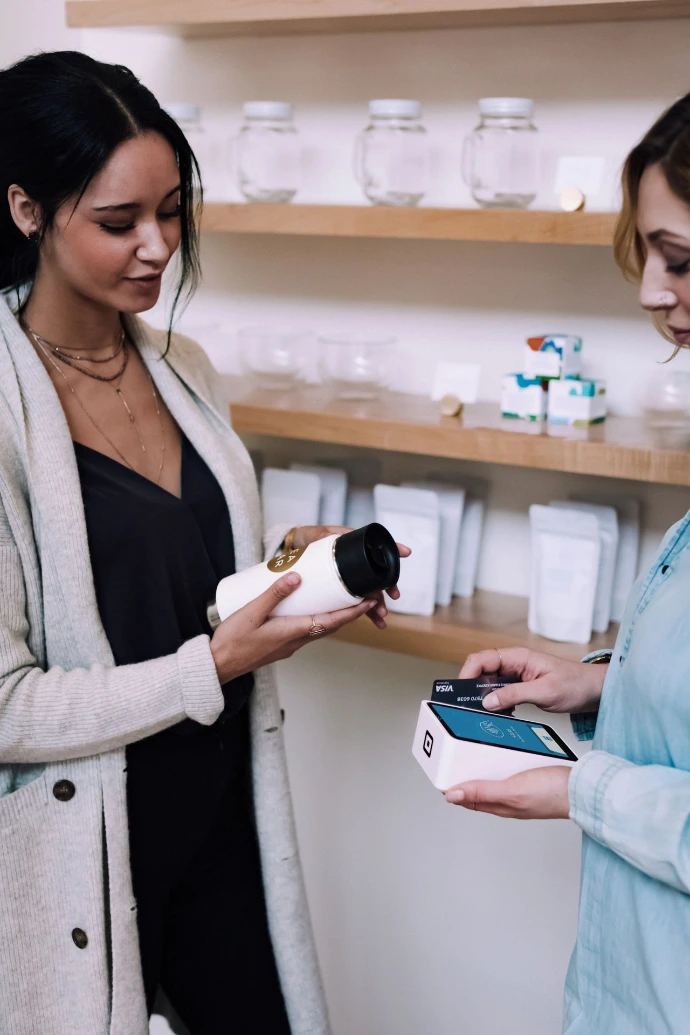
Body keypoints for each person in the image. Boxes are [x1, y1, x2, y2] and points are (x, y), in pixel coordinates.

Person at [0, 51, 408, 1035]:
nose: (158, 247)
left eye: (172, 211)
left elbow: (178, 577)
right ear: (26, 210)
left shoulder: (185, 366)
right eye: (119, 222)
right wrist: (211, 666)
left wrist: (289, 568)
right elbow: (7, 707)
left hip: (222, 818)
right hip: (87, 849)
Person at [445, 95, 690, 1035]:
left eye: (680, 259)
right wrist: (598, 684)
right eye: (649, 255)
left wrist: (578, 787)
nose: (651, 292)